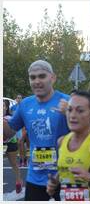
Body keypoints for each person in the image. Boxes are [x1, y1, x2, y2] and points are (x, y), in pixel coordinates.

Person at [3, 60, 70, 200]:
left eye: (41, 76)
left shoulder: (67, 101)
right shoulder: (25, 104)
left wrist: (70, 114)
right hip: (35, 177)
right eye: (32, 77)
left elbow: (88, 133)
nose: (37, 81)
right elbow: (8, 133)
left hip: (65, 176)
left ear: (53, 78)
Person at [3, 99, 23, 194]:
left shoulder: (9, 118)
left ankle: (18, 181)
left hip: (10, 143)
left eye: (3, 106)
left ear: (6, 108)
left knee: (14, 164)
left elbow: (14, 132)